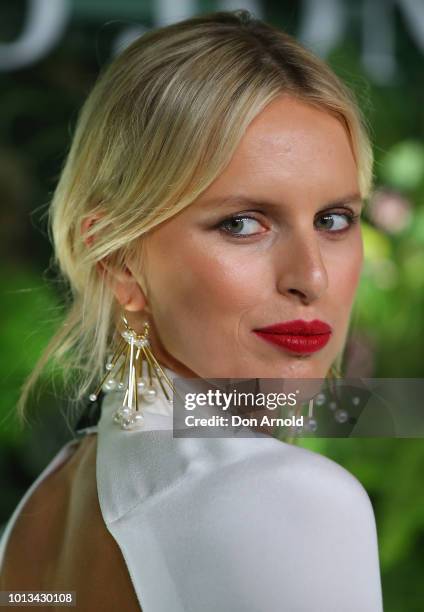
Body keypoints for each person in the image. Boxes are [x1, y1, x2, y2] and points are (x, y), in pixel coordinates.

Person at [0, 10, 384, 611]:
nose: (312, 277)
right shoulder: (289, 499)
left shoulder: (40, 513)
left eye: (334, 220)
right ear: (120, 261)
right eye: (243, 224)